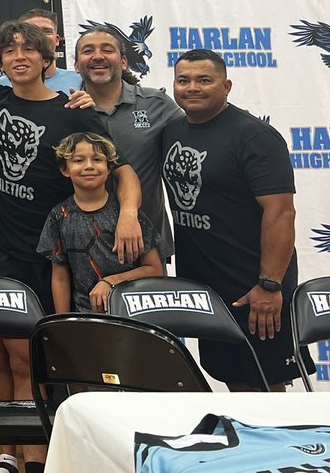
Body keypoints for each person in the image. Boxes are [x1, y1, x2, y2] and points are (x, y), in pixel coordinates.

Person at [0, 20, 143, 473]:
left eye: (29, 50)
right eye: (10, 50)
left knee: (34, 360)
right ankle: (5, 453)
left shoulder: (75, 112)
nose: (19, 57)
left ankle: (35, 456)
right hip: (5, 248)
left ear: (45, 58)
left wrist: (129, 214)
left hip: (56, 255)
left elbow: (123, 169)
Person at [161, 48, 304, 391]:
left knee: (264, 389)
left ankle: (275, 446)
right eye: (183, 80)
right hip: (208, 287)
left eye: (204, 80)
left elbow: (282, 212)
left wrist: (269, 285)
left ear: (226, 86)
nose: (192, 87)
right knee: (232, 382)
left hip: (253, 288)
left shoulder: (254, 136)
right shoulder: (172, 130)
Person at [73, 26, 181, 260]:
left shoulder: (157, 104)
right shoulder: (65, 110)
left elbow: (198, 138)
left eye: (107, 50)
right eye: (88, 50)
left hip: (146, 244)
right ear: (76, 65)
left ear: (123, 62)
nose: (98, 56)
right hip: (82, 247)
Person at [38, 132, 163, 314]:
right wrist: (62, 324)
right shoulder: (58, 216)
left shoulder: (129, 216)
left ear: (109, 167)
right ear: (65, 169)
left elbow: (155, 269)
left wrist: (111, 282)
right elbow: (60, 278)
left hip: (132, 316)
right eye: (79, 160)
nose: (89, 166)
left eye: (97, 159)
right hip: (86, 320)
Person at [0, 9, 81, 93]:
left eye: (46, 31)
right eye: (32, 32)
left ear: (57, 40)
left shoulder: (79, 81)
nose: (40, 36)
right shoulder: (0, 86)